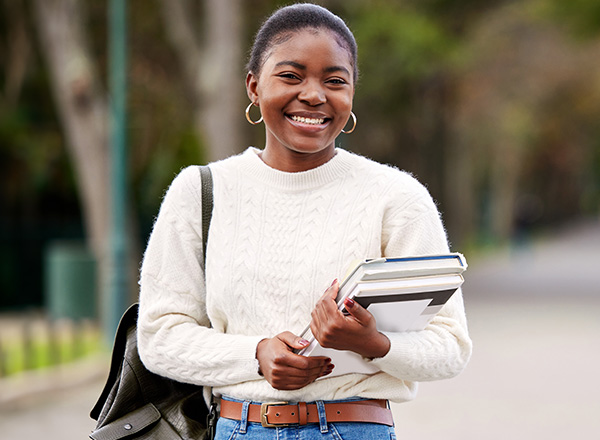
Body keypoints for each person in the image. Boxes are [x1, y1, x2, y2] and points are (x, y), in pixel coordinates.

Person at [137, 3, 472, 439]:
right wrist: (256, 354)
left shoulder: (397, 198)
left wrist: (373, 345)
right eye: (291, 76)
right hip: (239, 428)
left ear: (351, 96)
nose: (314, 95)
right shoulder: (202, 191)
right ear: (254, 87)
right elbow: (159, 336)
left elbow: (451, 347)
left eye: (335, 81)